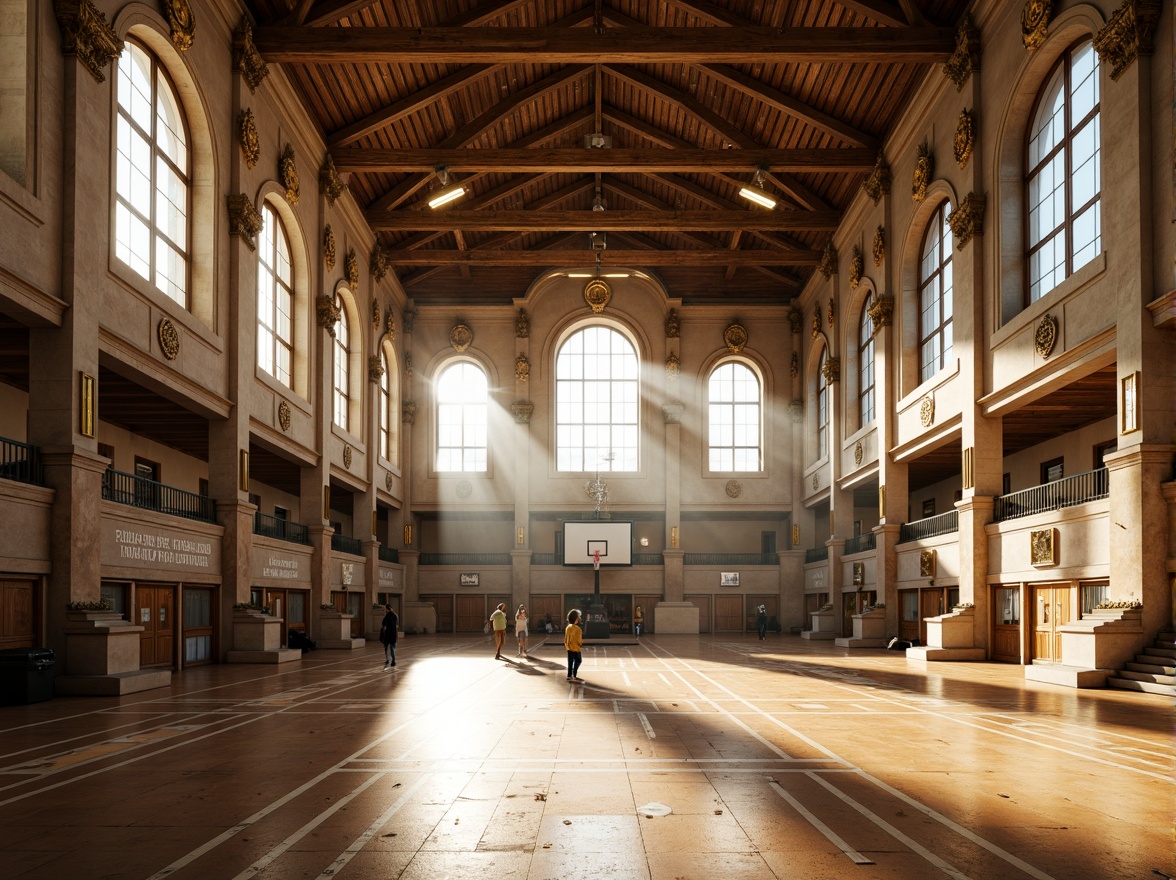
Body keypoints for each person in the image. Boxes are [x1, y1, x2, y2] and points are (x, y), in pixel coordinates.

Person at [564, 609, 583, 682]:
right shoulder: (578, 629)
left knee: (570, 661)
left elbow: (566, 637)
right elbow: (579, 639)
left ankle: (569, 675)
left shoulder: (568, 627)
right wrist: (580, 644)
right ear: (576, 619)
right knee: (578, 660)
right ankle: (574, 673)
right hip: (576, 648)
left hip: (569, 647)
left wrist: (566, 645)